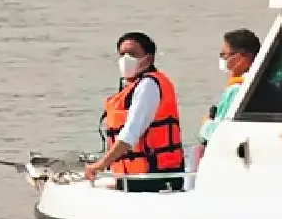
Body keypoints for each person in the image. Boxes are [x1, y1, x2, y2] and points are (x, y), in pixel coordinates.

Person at [87, 32, 186, 191]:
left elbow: (130, 134)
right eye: (122, 54)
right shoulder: (133, 86)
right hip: (135, 177)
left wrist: (100, 165)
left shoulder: (149, 85)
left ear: (148, 58)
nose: (126, 59)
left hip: (152, 178)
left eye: (132, 54)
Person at [200, 29, 259, 146]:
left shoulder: (238, 89)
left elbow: (221, 132)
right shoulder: (256, 82)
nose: (222, 59)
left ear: (242, 58)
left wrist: (206, 124)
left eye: (225, 55)